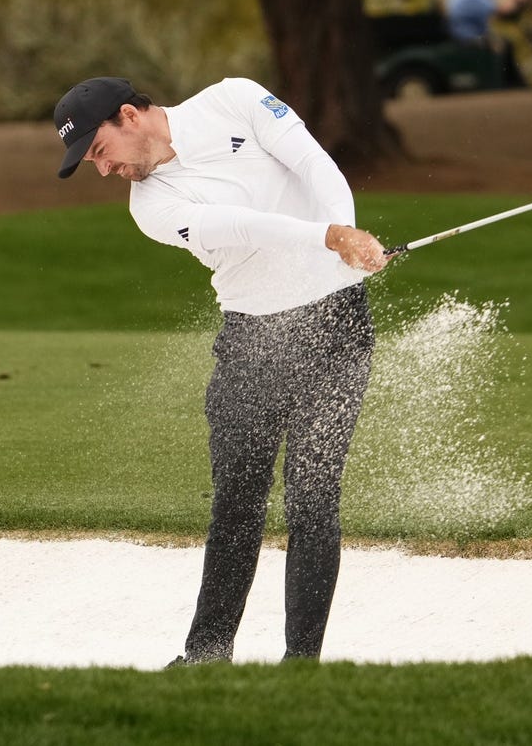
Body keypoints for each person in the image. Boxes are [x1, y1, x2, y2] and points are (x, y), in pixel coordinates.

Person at [54, 76, 391, 664]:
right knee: (237, 501)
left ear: (129, 116)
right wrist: (331, 236)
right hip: (251, 337)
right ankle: (207, 655)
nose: (102, 171)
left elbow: (314, 162)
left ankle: (301, 666)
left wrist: (346, 234)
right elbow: (241, 226)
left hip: (336, 325)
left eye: (99, 152)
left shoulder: (233, 100)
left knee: (313, 495)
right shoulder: (151, 207)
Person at [443, 0, 531, 85]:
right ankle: (509, 84)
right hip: (467, 38)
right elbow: (504, 11)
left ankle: (510, 83)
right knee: (505, 45)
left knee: (502, 42)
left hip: (457, 34)